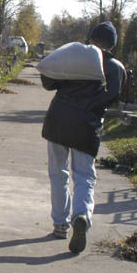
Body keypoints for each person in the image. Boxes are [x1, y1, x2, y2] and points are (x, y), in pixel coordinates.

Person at [40, 21, 126, 254]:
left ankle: (60, 225)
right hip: (86, 127)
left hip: (58, 121)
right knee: (84, 176)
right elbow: (113, 97)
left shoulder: (74, 58)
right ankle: (81, 215)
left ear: (92, 39)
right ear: (112, 45)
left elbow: (48, 82)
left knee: (58, 174)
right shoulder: (116, 68)